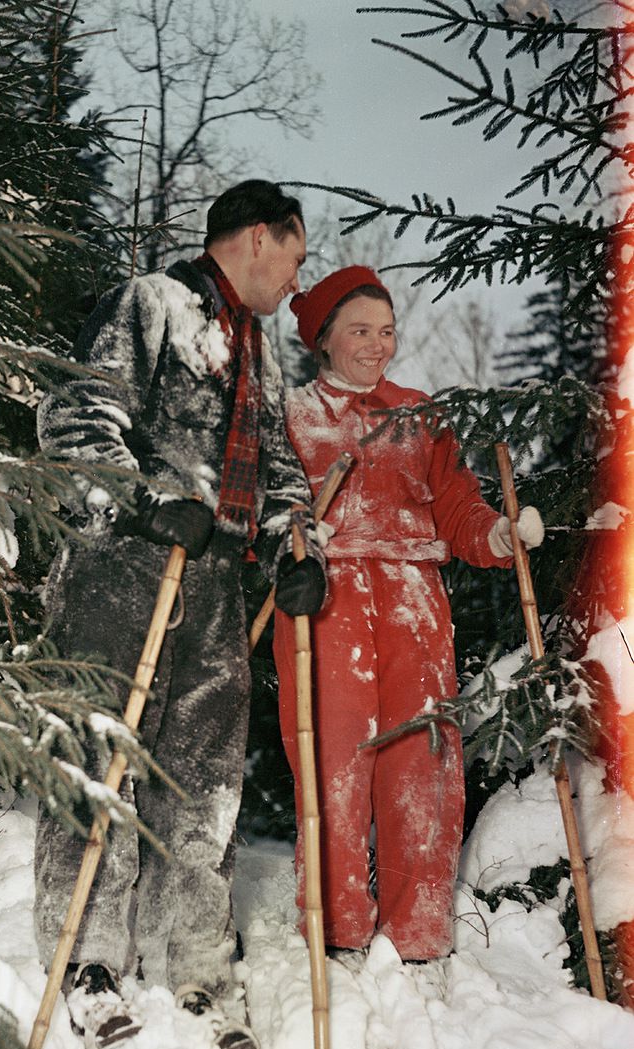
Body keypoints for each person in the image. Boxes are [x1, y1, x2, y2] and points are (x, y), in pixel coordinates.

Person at [34, 180, 326, 1000]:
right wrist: (142, 503)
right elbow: (78, 415)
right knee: (102, 755)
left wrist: (293, 548)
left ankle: (192, 955)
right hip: (123, 571)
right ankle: (87, 952)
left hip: (216, 588)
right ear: (258, 238)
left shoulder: (257, 349)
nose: (297, 279)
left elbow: (278, 473)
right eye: (296, 256)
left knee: (206, 776)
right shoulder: (149, 303)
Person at [274, 265, 544, 960]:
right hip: (324, 599)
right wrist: (287, 549)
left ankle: (417, 931)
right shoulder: (291, 414)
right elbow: (264, 514)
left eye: (386, 331)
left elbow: (455, 505)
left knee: (422, 763)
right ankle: (334, 928)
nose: (376, 345)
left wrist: (495, 534)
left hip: (414, 597)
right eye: (358, 331)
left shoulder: (420, 412)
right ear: (323, 340)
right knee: (331, 761)